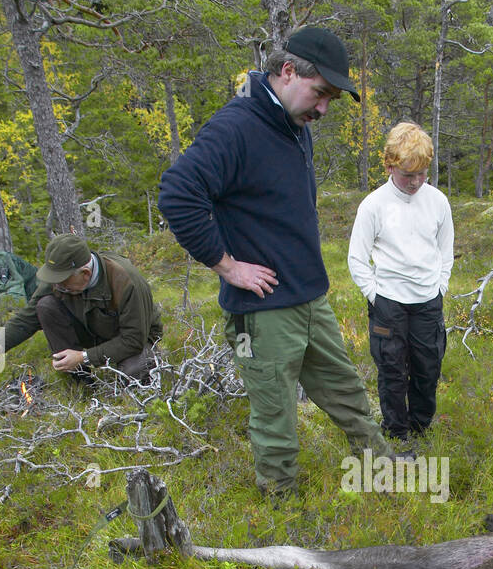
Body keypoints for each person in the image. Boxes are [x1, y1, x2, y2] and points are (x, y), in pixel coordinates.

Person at [158, 25, 396, 495]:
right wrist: (228, 267)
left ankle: (383, 473)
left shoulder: (293, 123)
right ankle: (280, 508)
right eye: (320, 94)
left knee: (347, 393)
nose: (324, 109)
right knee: (275, 412)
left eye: (330, 98)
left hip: (309, 297)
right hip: (262, 313)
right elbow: (178, 194)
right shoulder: (236, 127)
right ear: (287, 71)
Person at [347, 121, 453, 443]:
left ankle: (420, 428)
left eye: (422, 173)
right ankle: (397, 433)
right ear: (390, 165)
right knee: (392, 370)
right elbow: (356, 258)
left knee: (428, 367)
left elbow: (445, 250)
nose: (416, 181)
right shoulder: (374, 205)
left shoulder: (437, 202)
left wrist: (440, 286)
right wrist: (376, 296)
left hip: (427, 302)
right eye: (409, 175)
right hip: (388, 304)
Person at [0, 233, 162, 383]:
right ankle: (80, 382)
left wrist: (84, 357)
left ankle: (139, 380)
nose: (56, 286)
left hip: (133, 338)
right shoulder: (59, 278)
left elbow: (134, 339)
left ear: (85, 273)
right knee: (45, 305)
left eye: (62, 281)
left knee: (134, 372)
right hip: (93, 329)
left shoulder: (127, 282)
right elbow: (27, 317)